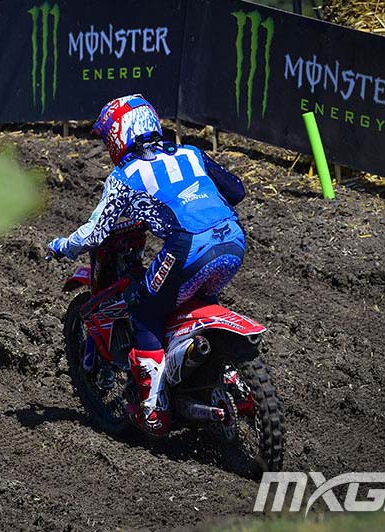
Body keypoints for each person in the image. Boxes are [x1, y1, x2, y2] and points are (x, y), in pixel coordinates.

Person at [47, 94, 246, 437]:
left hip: (188, 246)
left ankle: (154, 410)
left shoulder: (126, 174)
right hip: (234, 239)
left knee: (142, 308)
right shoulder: (191, 153)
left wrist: (62, 246)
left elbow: (95, 233)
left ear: (120, 135)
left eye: (109, 138)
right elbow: (237, 190)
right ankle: (219, 374)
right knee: (190, 304)